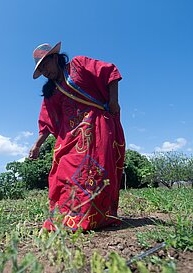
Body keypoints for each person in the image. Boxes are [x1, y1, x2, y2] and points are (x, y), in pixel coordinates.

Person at [29, 42, 126, 231]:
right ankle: (68, 217)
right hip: (70, 136)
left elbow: (110, 72)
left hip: (96, 127)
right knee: (63, 170)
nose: (45, 72)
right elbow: (47, 122)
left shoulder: (78, 65)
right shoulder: (51, 91)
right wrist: (37, 144)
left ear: (55, 58)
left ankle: (97, 217)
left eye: (45, 65)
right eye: (40, 70)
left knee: (95, 171)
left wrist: (114, 100)